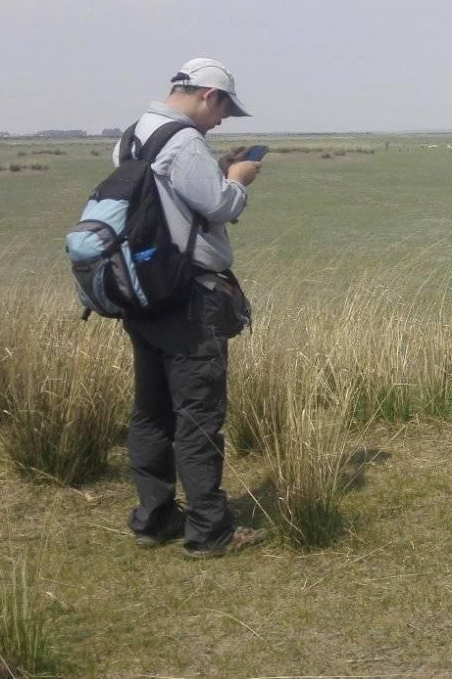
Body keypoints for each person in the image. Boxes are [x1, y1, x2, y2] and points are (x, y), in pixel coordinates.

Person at [118, 57, 268, 558]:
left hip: (143, 292)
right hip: (187, 298)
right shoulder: (183, 142)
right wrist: (239, 178)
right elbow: (222, 206)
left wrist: (215, 173)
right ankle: (209, 531)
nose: (223, 120)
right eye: (224, 108)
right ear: (208, 95)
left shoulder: (132, 135)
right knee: (199, 415)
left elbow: (169, 205)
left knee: (151, 412)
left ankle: (155, 518)